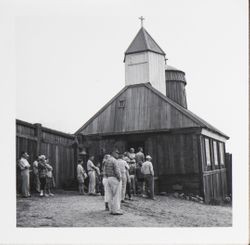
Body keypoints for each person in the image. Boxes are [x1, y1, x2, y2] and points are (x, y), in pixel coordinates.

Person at [103, 150, 122, 215]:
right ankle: (116, 210)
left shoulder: (107, 160)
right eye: (117, 153)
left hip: (108, 178)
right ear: (113, 153)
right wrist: (119, 178)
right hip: (114, 178)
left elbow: (104, 170)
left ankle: (111, 209)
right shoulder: (114, 160)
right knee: (116, 195)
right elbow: (116, 170)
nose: (118, 155)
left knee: (110, 194)